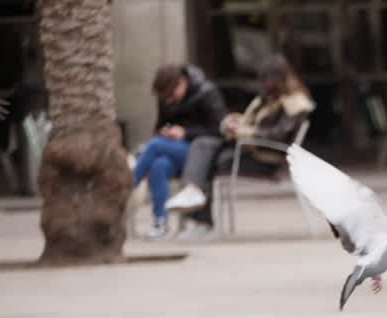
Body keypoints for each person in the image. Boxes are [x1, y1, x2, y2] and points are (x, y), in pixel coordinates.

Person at [165, 55, 315, 239]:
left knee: (211, 160)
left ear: (279, 79)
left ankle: (201, 219)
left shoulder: (295, 104)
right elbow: (250, 122)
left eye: (266, 80)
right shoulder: (265, 100)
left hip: (267, 158)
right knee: (203, 143)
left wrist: (245, 132)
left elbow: (278, 135)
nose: (263, 85)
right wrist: (234, 124)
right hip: (248, 148)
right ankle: (193, 195)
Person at [134, 64, 226, 239]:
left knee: (154, 146)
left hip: (200, 151)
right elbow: (159, 126)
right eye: (164, 98)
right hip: (174, 151)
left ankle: (128, 184)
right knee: (158, 166)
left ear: (182, 82)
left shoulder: (206, 93)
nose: (169, 101)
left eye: (170, 95)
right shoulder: (165, 100)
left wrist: (185, 133)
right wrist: (165, 132)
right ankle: (160, 222)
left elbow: (217, 130)